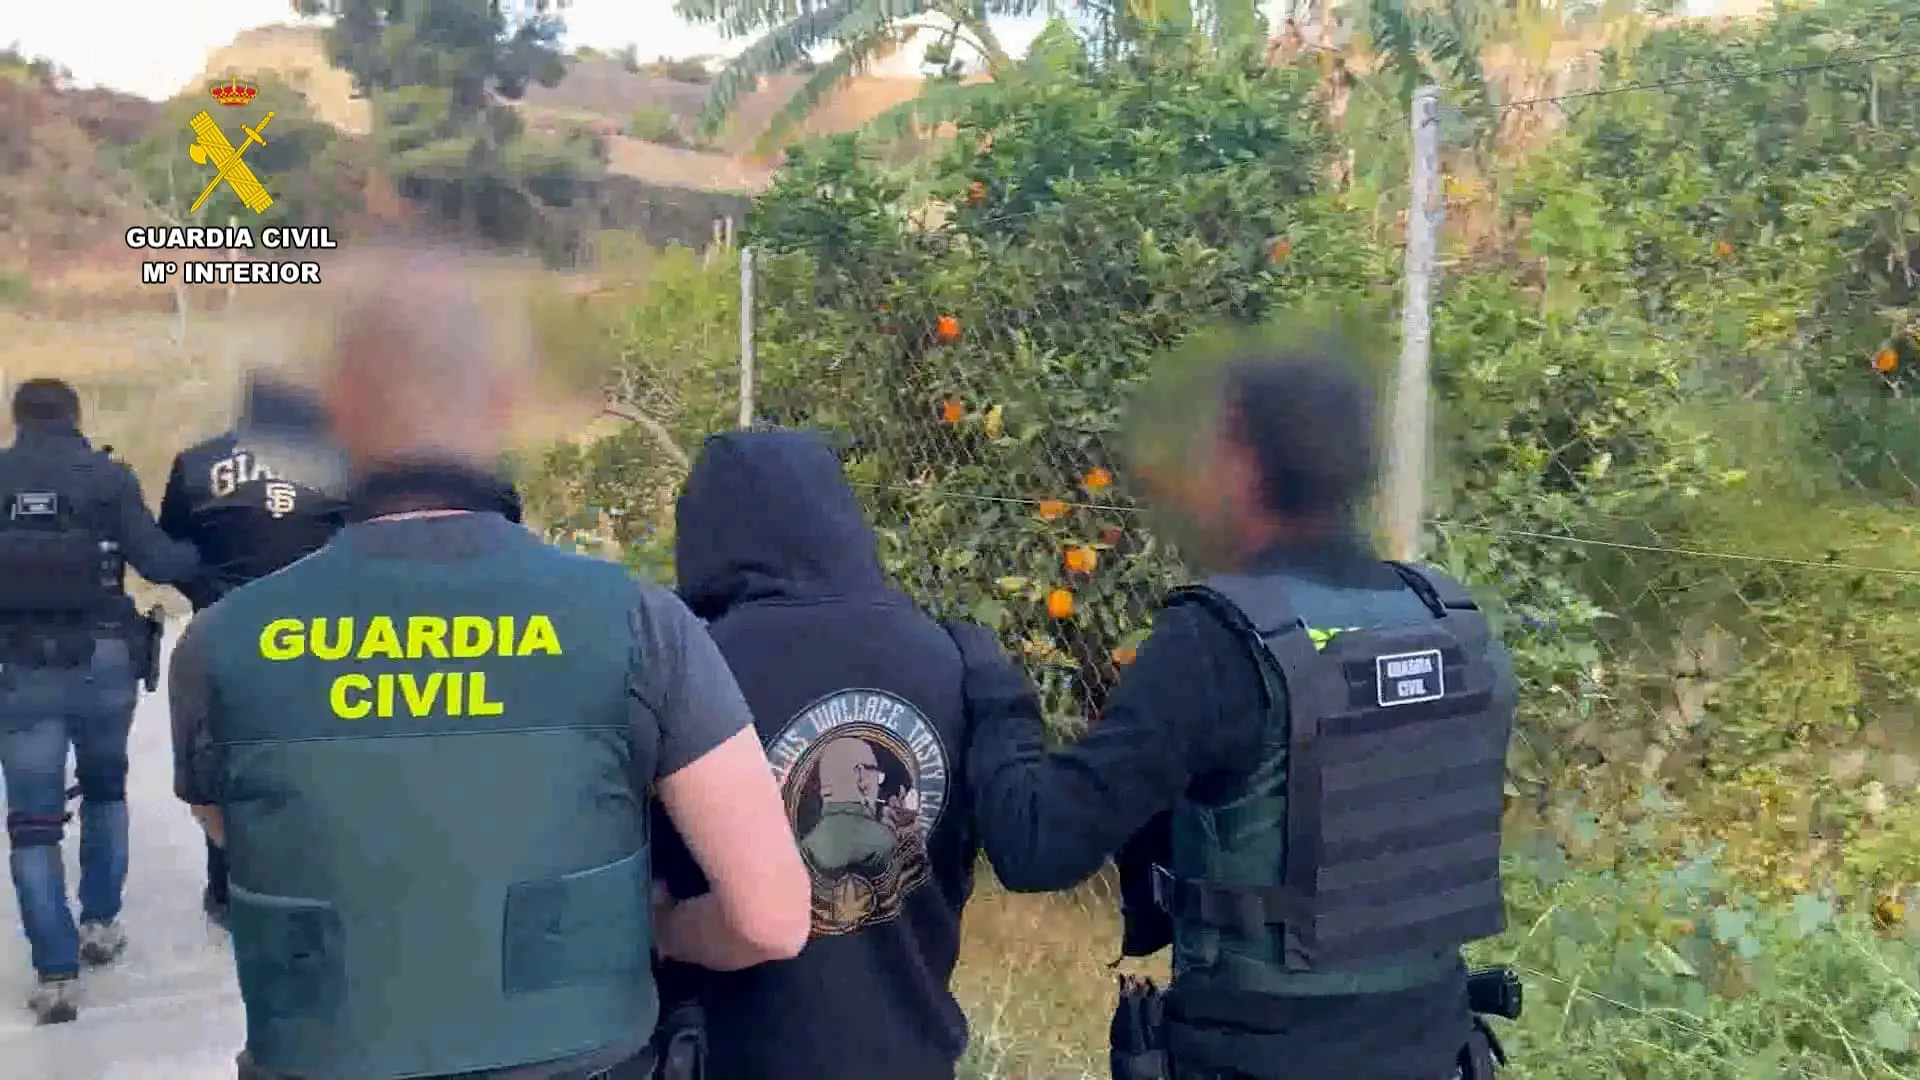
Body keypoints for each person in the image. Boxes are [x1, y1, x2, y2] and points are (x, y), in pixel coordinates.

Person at [167, 246, 811, 1080]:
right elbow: (770, 918)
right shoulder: (636, 622)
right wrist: (656, 927)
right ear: (500, 408)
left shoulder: (220, 643)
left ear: (336, 417)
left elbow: (245, 833)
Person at [961, 349, 1517, 1080]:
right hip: (1439, 1050)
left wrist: (991, 687)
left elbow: (1036, 844)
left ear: (1244, 467)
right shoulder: (1451, 624)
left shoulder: (1219, 642)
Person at [653, 428, 1010, 1080]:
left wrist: (669, 927)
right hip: (914, 1053)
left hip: (739, 1055)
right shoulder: (950, 656)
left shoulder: (697, 662)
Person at [158, 414, 521, 929]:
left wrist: (210, 598)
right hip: (325, 636)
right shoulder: (350, 459)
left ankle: (233, 890)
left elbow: (170, 551)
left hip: (231, 635)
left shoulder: (198, 463)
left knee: (231, 760)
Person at [0, 377, 202, 1024]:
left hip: (18, 669)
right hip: (105, 661)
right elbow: (161, 562)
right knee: (105, 791)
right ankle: (100, 923)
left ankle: (55, 975)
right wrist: (209, 550)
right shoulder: (107, 478)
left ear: (18, 420)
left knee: (32, 825)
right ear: (75, 416)